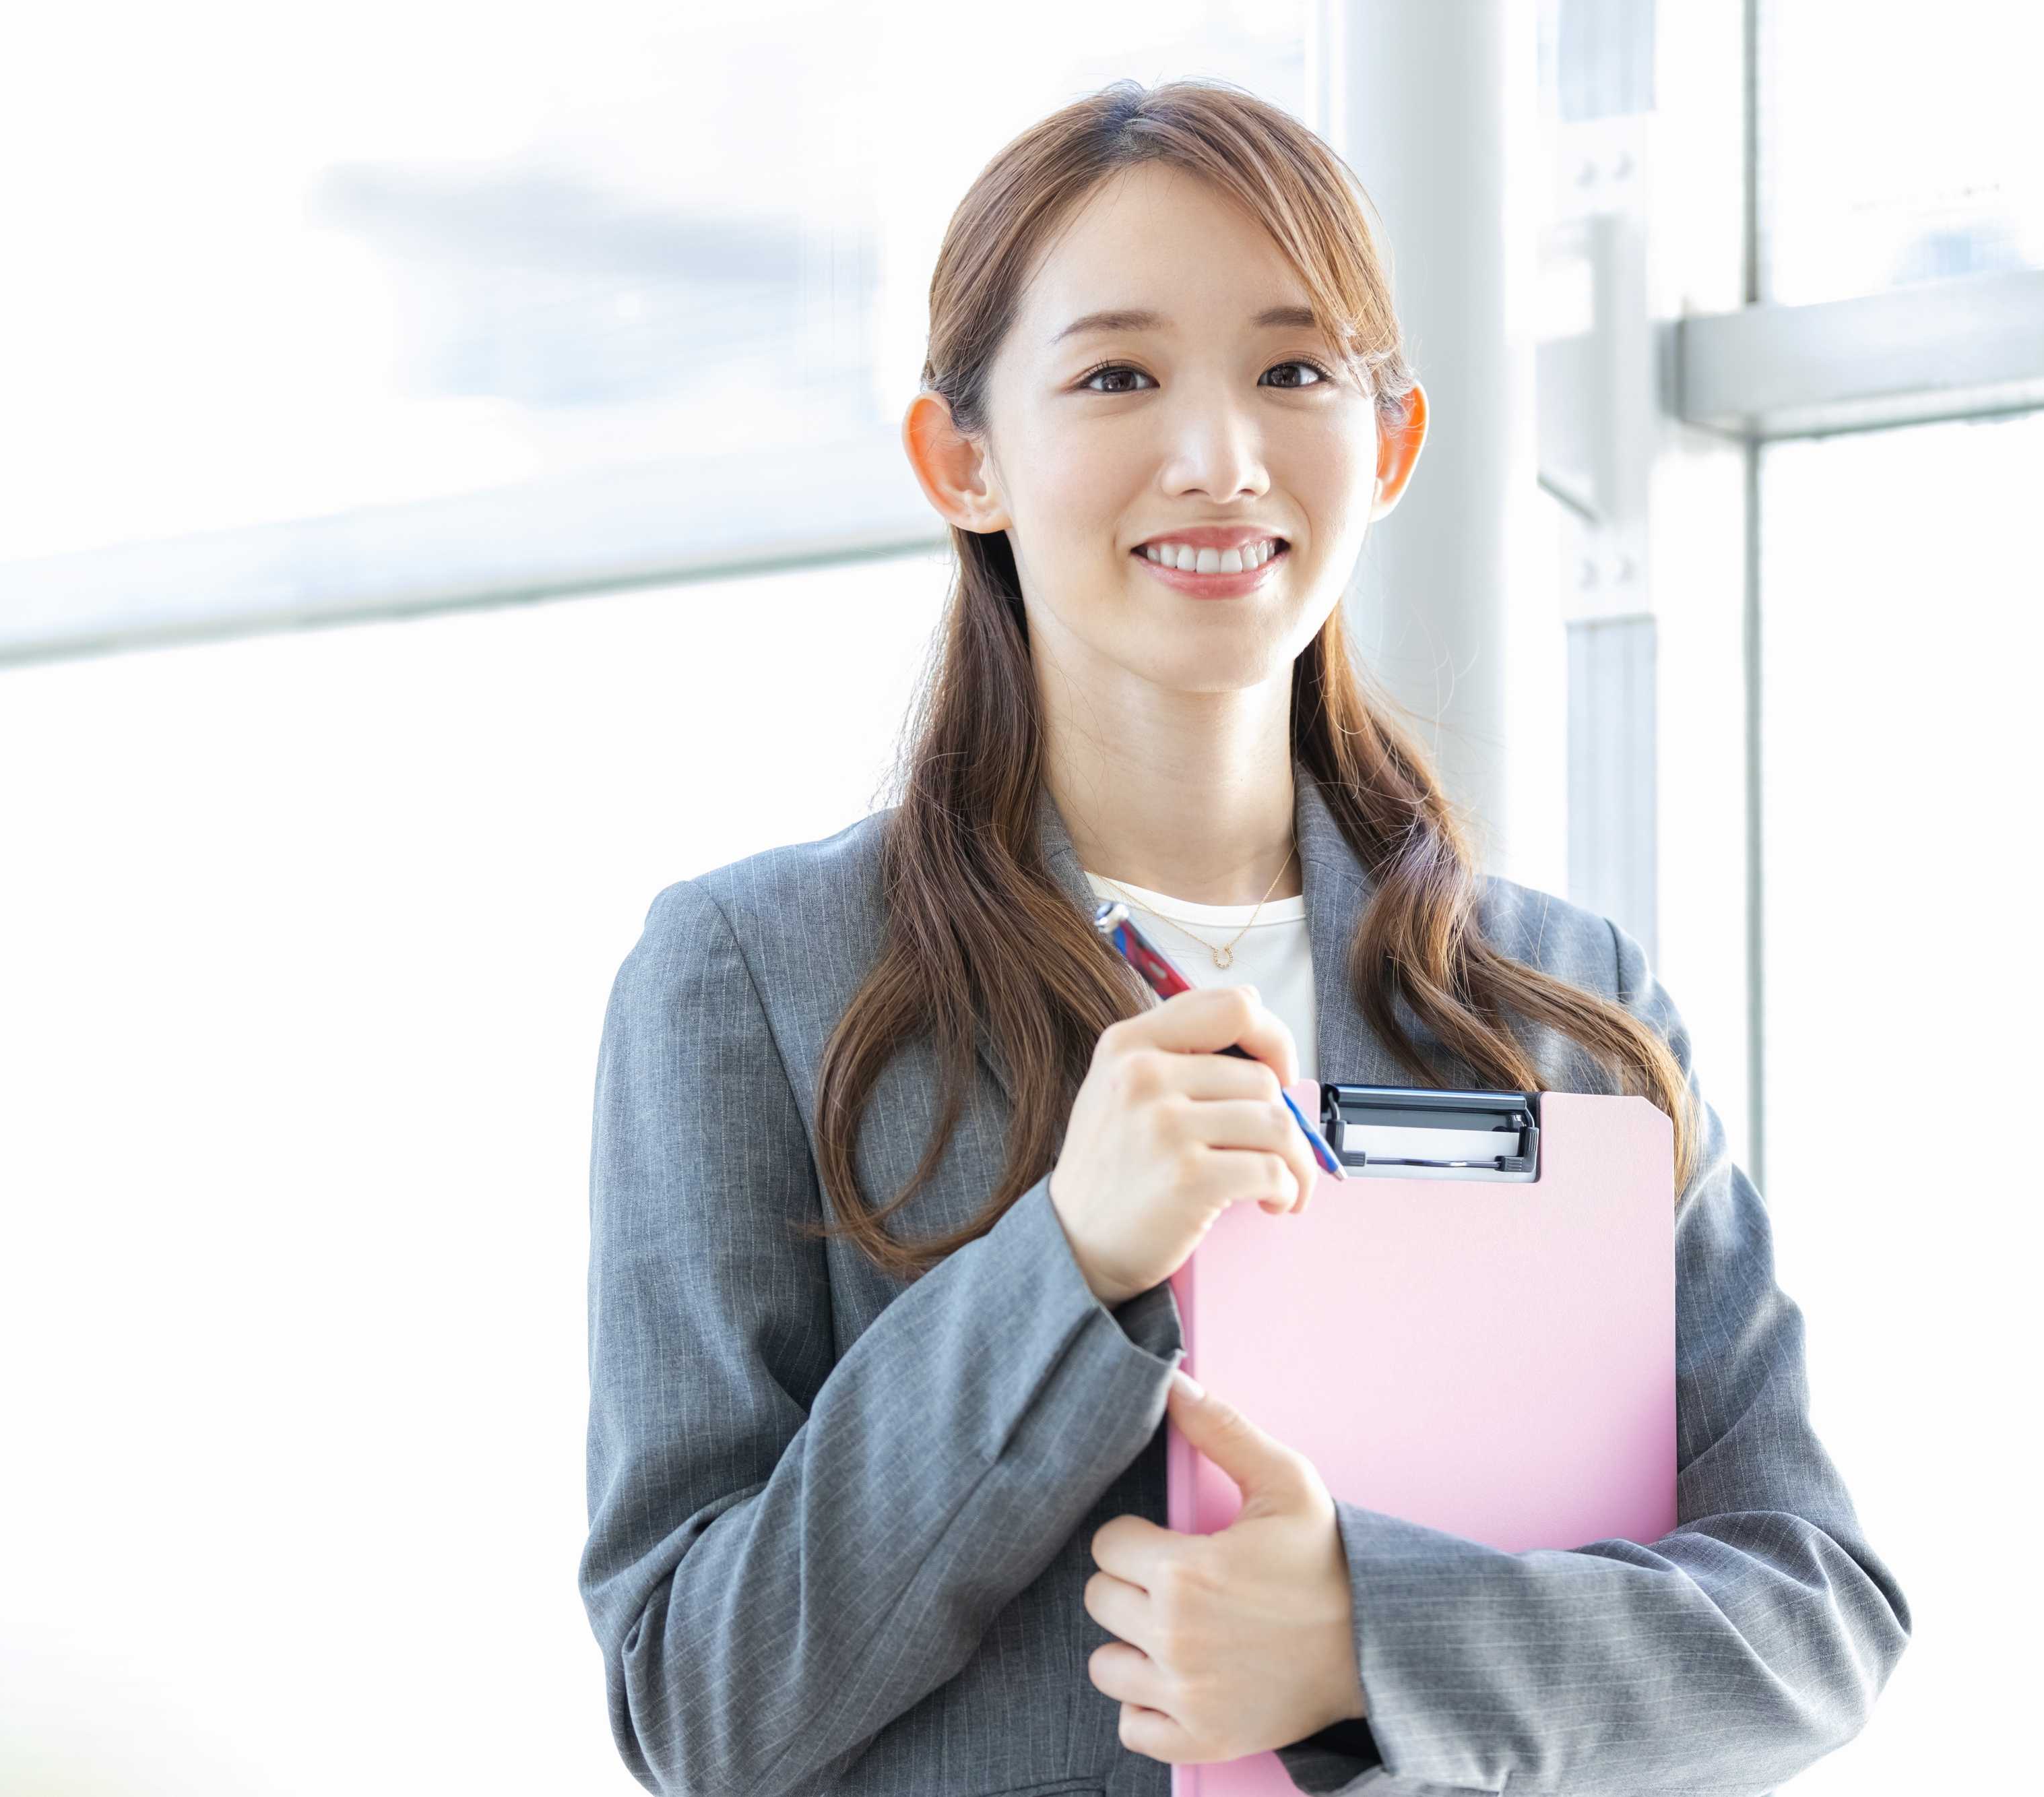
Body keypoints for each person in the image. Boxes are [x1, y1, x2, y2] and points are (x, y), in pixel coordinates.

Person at [577, 77, 1910, 1797]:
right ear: (962, 459)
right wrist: (1065, 1264)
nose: (1218, 458)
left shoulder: (1567, 1008)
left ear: (1391, 443)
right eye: (1115, 376)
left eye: (1292, 372)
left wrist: (1363, 1637)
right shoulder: (753, 978)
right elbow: (697, 1700)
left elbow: (1807, 1620)